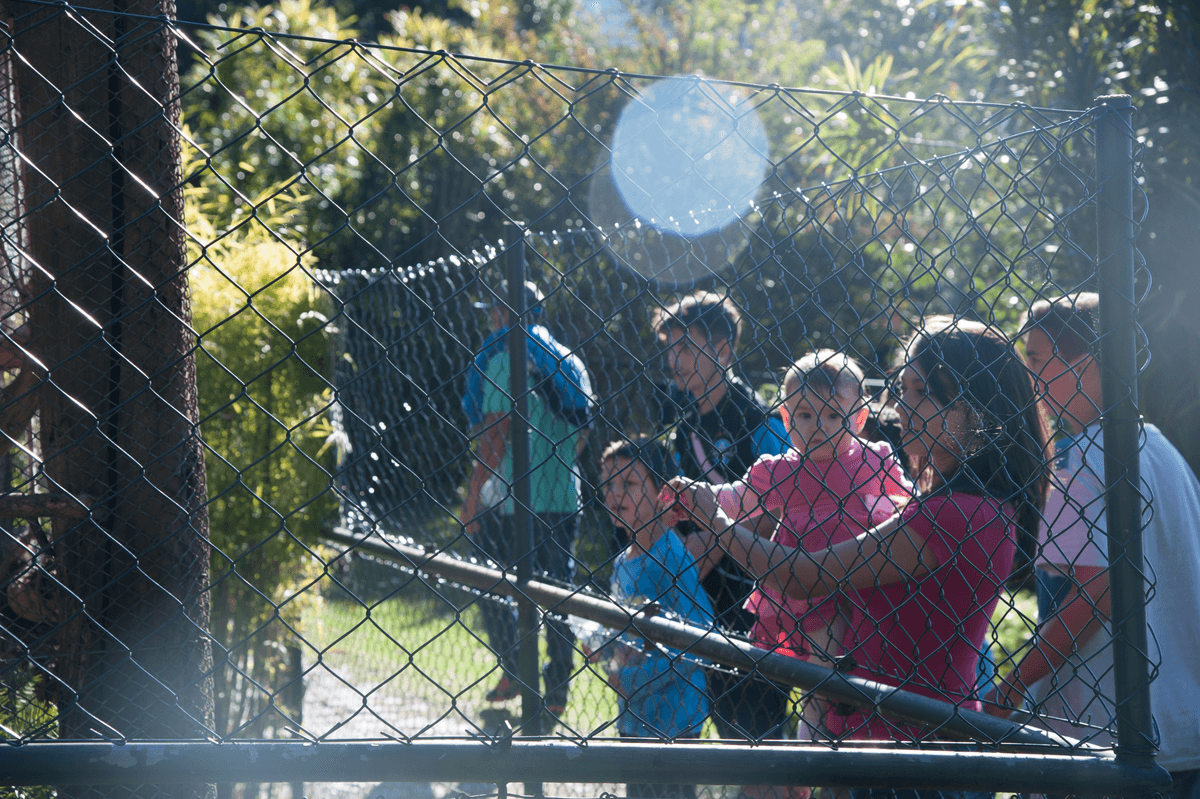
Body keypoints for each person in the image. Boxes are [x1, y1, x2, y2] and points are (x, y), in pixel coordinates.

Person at [666, 317, 1049, 765]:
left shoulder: (954, 513)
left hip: (905, 747)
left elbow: (805, 577)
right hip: (891, 734)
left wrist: (715, 522)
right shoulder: (958, 503)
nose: (901, 406)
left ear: (974, 408)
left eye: (922, 392)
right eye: (902, 389)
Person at [988, 293, 1200, 797]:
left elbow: (1093, 592)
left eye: (1036, 359)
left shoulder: (1080, 461)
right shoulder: (1161, 449)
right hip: (1182, 723)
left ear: (1084, 363)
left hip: (1102, 737)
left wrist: (1009, 690)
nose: (1027, 376)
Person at [695, 350, 912, 740]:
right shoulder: (778, 471)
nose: (819, 427)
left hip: (869, 585)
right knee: (821, 679)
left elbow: (912, 504)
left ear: (860, 418)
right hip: (810, 594)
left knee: (868, 675)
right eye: (805, 415)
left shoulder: (874, 460)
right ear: (785, 417)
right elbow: (735, 499)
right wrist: (697, 496)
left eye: (833, 415)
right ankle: (813, 747)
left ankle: (845, 741)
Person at [652, 290, 792, 743]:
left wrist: (705, 548)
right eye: (669, 348)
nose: (675, 360)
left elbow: (776, 510)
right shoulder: (687, 425)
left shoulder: (758, 421)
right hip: (703, 601)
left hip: (754, 604)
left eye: (687, 347)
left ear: (724, 349)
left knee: (760, 740)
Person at [461, 280, 595, 718]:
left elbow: (497, 433)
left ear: (504, 312)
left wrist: (472, 497)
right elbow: (580, 437)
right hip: (561, 497)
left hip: (514, 501)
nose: (490, 320)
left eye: (493, 311)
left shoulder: (505, 357)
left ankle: (516, 669)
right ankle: (556, 692)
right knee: (559, 595)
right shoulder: (568, 360)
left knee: (493, 586)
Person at [597, 437, 714, 799]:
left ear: (662, 494)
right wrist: (601, 646)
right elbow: (623, 629)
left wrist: (630, 679)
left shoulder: (670, 556)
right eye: (608, 484)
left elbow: (699, 640)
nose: (616, 494)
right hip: (635, 719)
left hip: (675, 723)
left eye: (629, 484)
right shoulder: (622, 563)